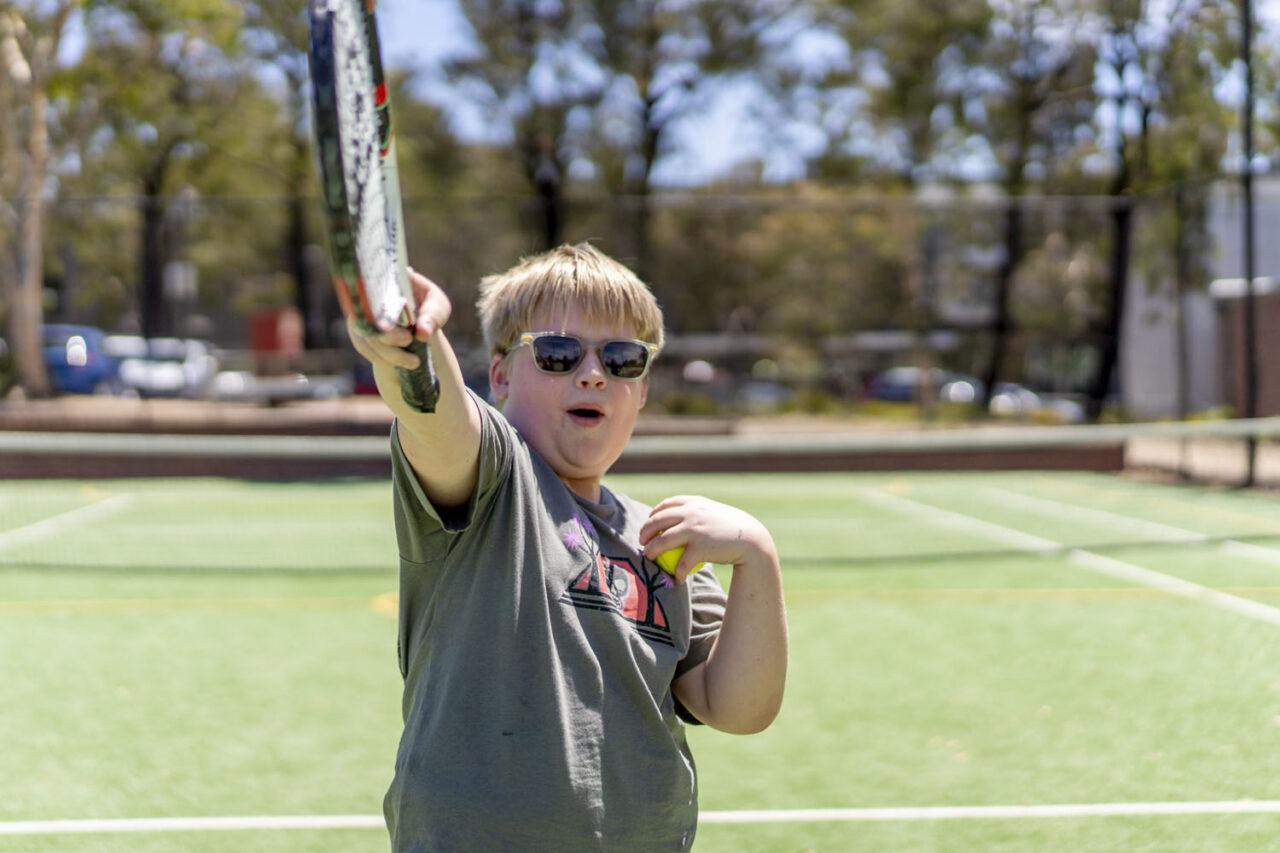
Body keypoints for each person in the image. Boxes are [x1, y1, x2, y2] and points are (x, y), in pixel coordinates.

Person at [348, 242, 787, 851]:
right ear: (500, 375)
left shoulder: (664, 537)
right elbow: (434, 413)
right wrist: (413, 344)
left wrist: (758, 554)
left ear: (642, 390)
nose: (592, 373)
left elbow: (738, 708)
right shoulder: (496, 479)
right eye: (558, 353)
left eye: (622, 358)